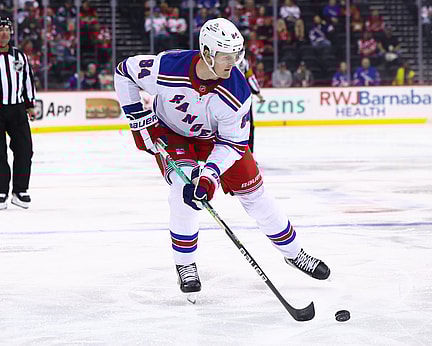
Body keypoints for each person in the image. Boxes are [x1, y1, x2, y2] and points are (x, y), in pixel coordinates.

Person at [114, 18, 330, 296]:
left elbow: (231, 144)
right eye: (226, 56)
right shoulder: (166, 67)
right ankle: (185, 264)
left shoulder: (237, 92)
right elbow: (124, 72)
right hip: (173, 134)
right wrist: (138, 119)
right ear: (207, 53)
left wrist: (209, 178)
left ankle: (294, 252)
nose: (233, 62)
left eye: (236, 55)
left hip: (218, 140)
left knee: (256, 195)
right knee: (183, 190)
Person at [0, 17, 36, 210]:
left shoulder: (20, 56)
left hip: (17, 109)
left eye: (7, 29)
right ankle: (1, 191)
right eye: (0, 30)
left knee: (25, 150)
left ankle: (20, 190)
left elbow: (27, 80)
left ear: (11, 32)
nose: (4, 33)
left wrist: (30, 104)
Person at [237, 56, 264, 153]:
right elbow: (250, 78)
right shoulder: (243, 61)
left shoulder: (221, 58)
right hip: (244, 98)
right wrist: (257, 93)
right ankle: (249, 154)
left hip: (228, 98)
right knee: (248, 126)